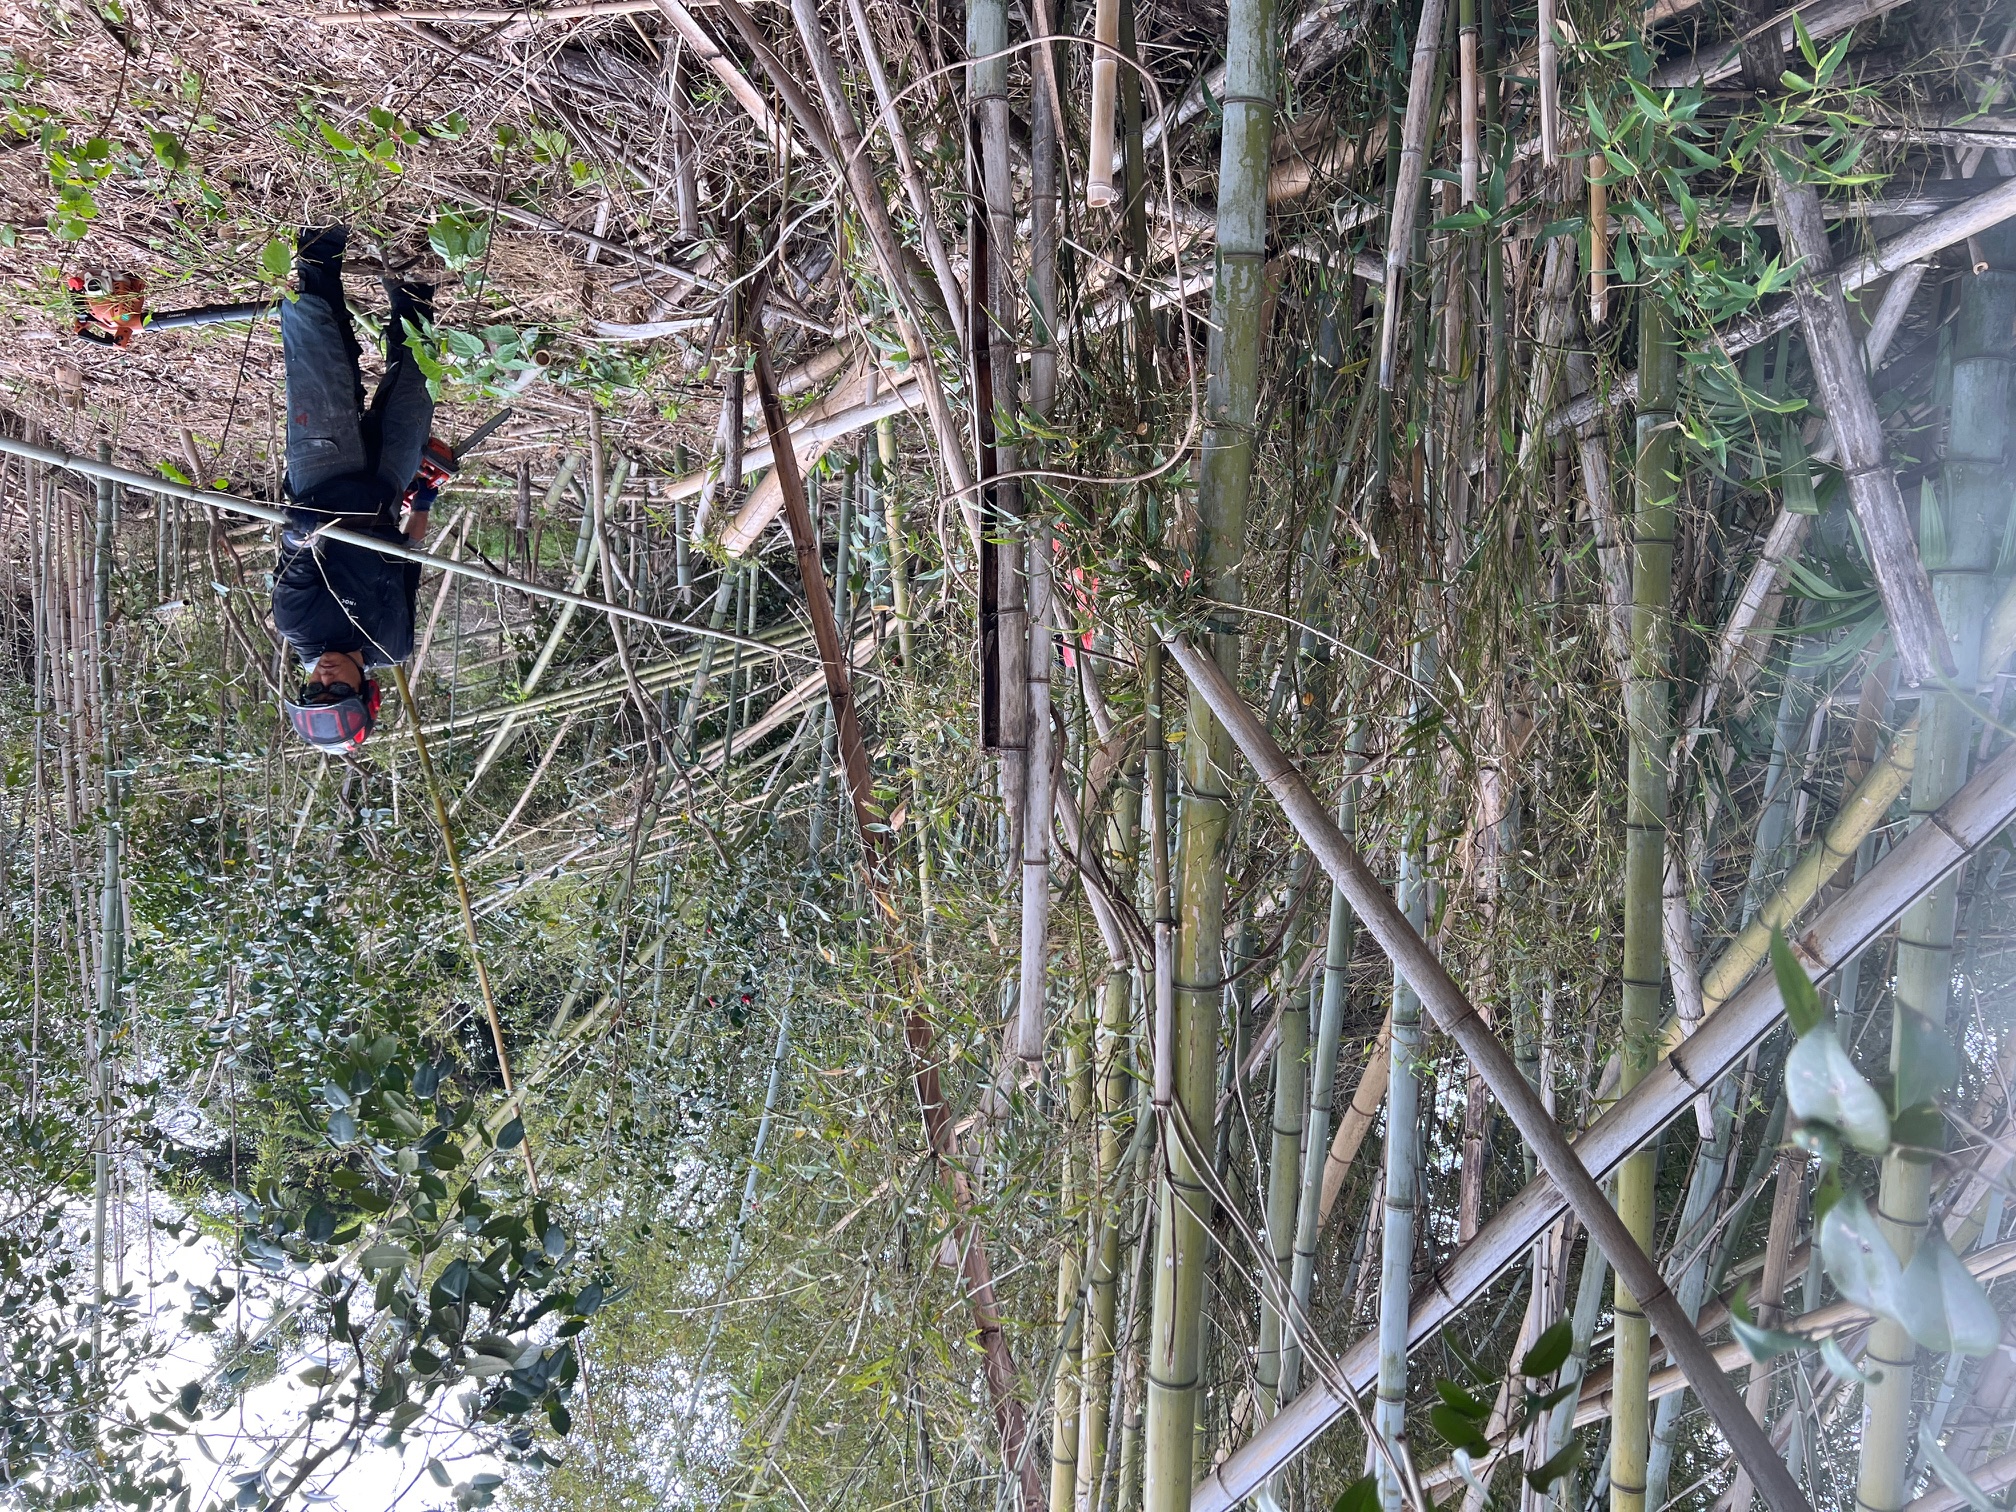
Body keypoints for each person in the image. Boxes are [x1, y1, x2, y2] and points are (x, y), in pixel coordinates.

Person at [272, 224, 437, 753]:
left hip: (323, 477)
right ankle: (413, 285)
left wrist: (299, 537)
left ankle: (319, 245)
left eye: (313, 689)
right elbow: (408, 564)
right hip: (385, 489)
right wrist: (422, 502)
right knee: (416, 381)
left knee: (322, 362)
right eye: (336, 690)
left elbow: (295, 561)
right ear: (367, 691)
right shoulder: (394, 646)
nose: (323, 678)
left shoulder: (297, 625)